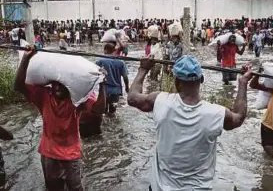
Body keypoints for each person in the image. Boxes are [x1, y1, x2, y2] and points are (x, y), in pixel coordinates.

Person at [127, 55, 253, 191]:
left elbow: (132, 98)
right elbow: (239, 117)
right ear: (202, 79)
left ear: (176, 81)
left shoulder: (160, 101)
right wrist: (243, 83)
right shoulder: (216, 114)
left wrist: (143, 69)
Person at [14, 46, 106, 191]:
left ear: (70, 86)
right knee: (52, 187)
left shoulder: (77, 98)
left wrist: (102, 85)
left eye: (63, 85)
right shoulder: (43, 96)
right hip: (49, 152)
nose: (58, 88)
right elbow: (19, 86)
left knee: (76, 188)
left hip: (71, 153)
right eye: (56, 84)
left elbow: (99, 110)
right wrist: (26, 58)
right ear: (51, 83)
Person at [96, 43, 129, 117]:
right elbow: (125, 77)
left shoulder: (101, 61)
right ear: (114, 50)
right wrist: (127, 87)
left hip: (104, 90)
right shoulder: (120, 62)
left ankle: (104, 127)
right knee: (112, 112)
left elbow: (94, 73)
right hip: (116, 91)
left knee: (103, 111)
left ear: (105, 50)